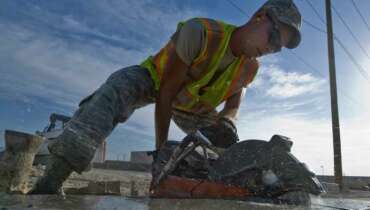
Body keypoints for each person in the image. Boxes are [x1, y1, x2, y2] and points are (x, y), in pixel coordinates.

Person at [30, 0, 302, 194]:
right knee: (117, 88)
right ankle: (52, 178)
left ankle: (221, 188)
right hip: (157, 81)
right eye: (274, 37)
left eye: (279, 49)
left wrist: (227, 123)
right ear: (259, 16)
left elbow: (234, 102)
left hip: (195, 107)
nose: (271, 48)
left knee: (228, 154)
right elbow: (166, 93)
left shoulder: (250, 67)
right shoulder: (202, 33)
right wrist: (161, 152)